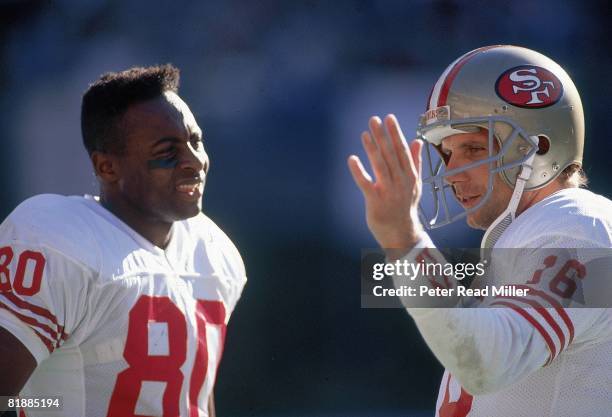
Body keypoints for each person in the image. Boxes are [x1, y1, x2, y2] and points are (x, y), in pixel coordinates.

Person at [348, 45, 612, 416]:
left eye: (473, 148)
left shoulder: (578, 229)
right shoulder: (531, 236)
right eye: (447, 154)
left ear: (539, 147)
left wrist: (403, 239)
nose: (453, 173)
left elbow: (488, 363)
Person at [0, 65, 246, 417]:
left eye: (195, 141)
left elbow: (195, 398)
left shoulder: (215, 253)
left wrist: (361, 236)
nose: (194, 161)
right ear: (107, 168)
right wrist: (52, 406)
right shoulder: (57, 239)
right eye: (168, 150)